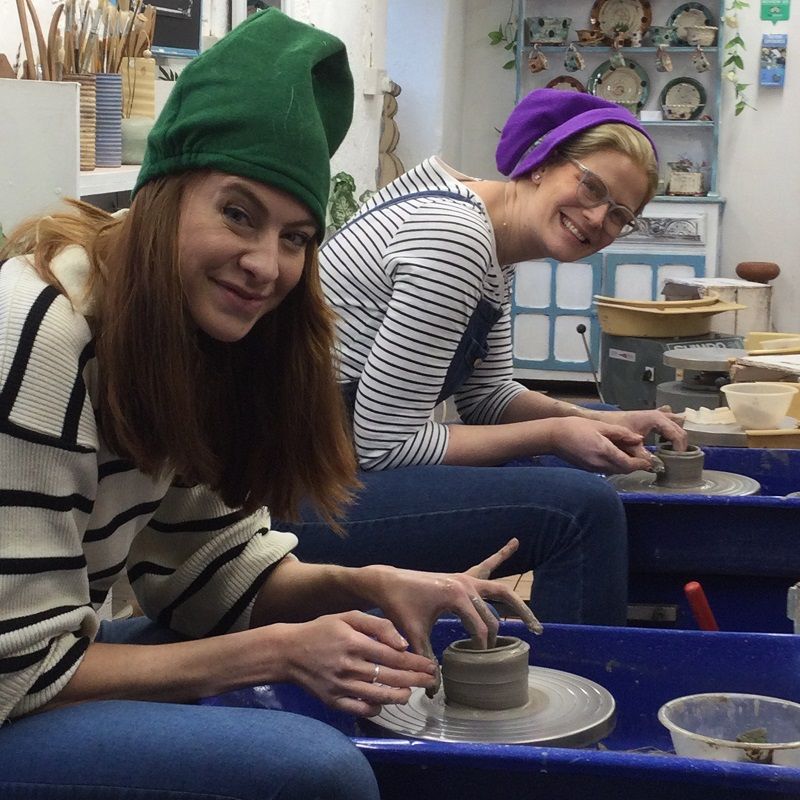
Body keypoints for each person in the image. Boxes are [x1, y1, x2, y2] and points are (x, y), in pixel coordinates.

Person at [0, 10, 539, 800]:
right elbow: (18, 666)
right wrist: (282, 652)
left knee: (344, 676)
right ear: (164, 193)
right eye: (238, 213)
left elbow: (209, 573)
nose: (266, 264)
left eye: (296, 237)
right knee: (317, 772)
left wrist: (369, 581)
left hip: (35, 664)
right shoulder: (39, 328)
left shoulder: (189, 332)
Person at [278, 90, 688, 628]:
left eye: (618, 215)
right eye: (591, 187)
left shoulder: (492, 239)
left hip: (329, 468)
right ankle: (577, 691)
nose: (596, 219)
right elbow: (385, 445)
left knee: (556, 469)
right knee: (580, 511)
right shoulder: (457, 236)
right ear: (543, 162)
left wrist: (599, 420)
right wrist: (553, 435)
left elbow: (488, 397)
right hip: (282, 499)